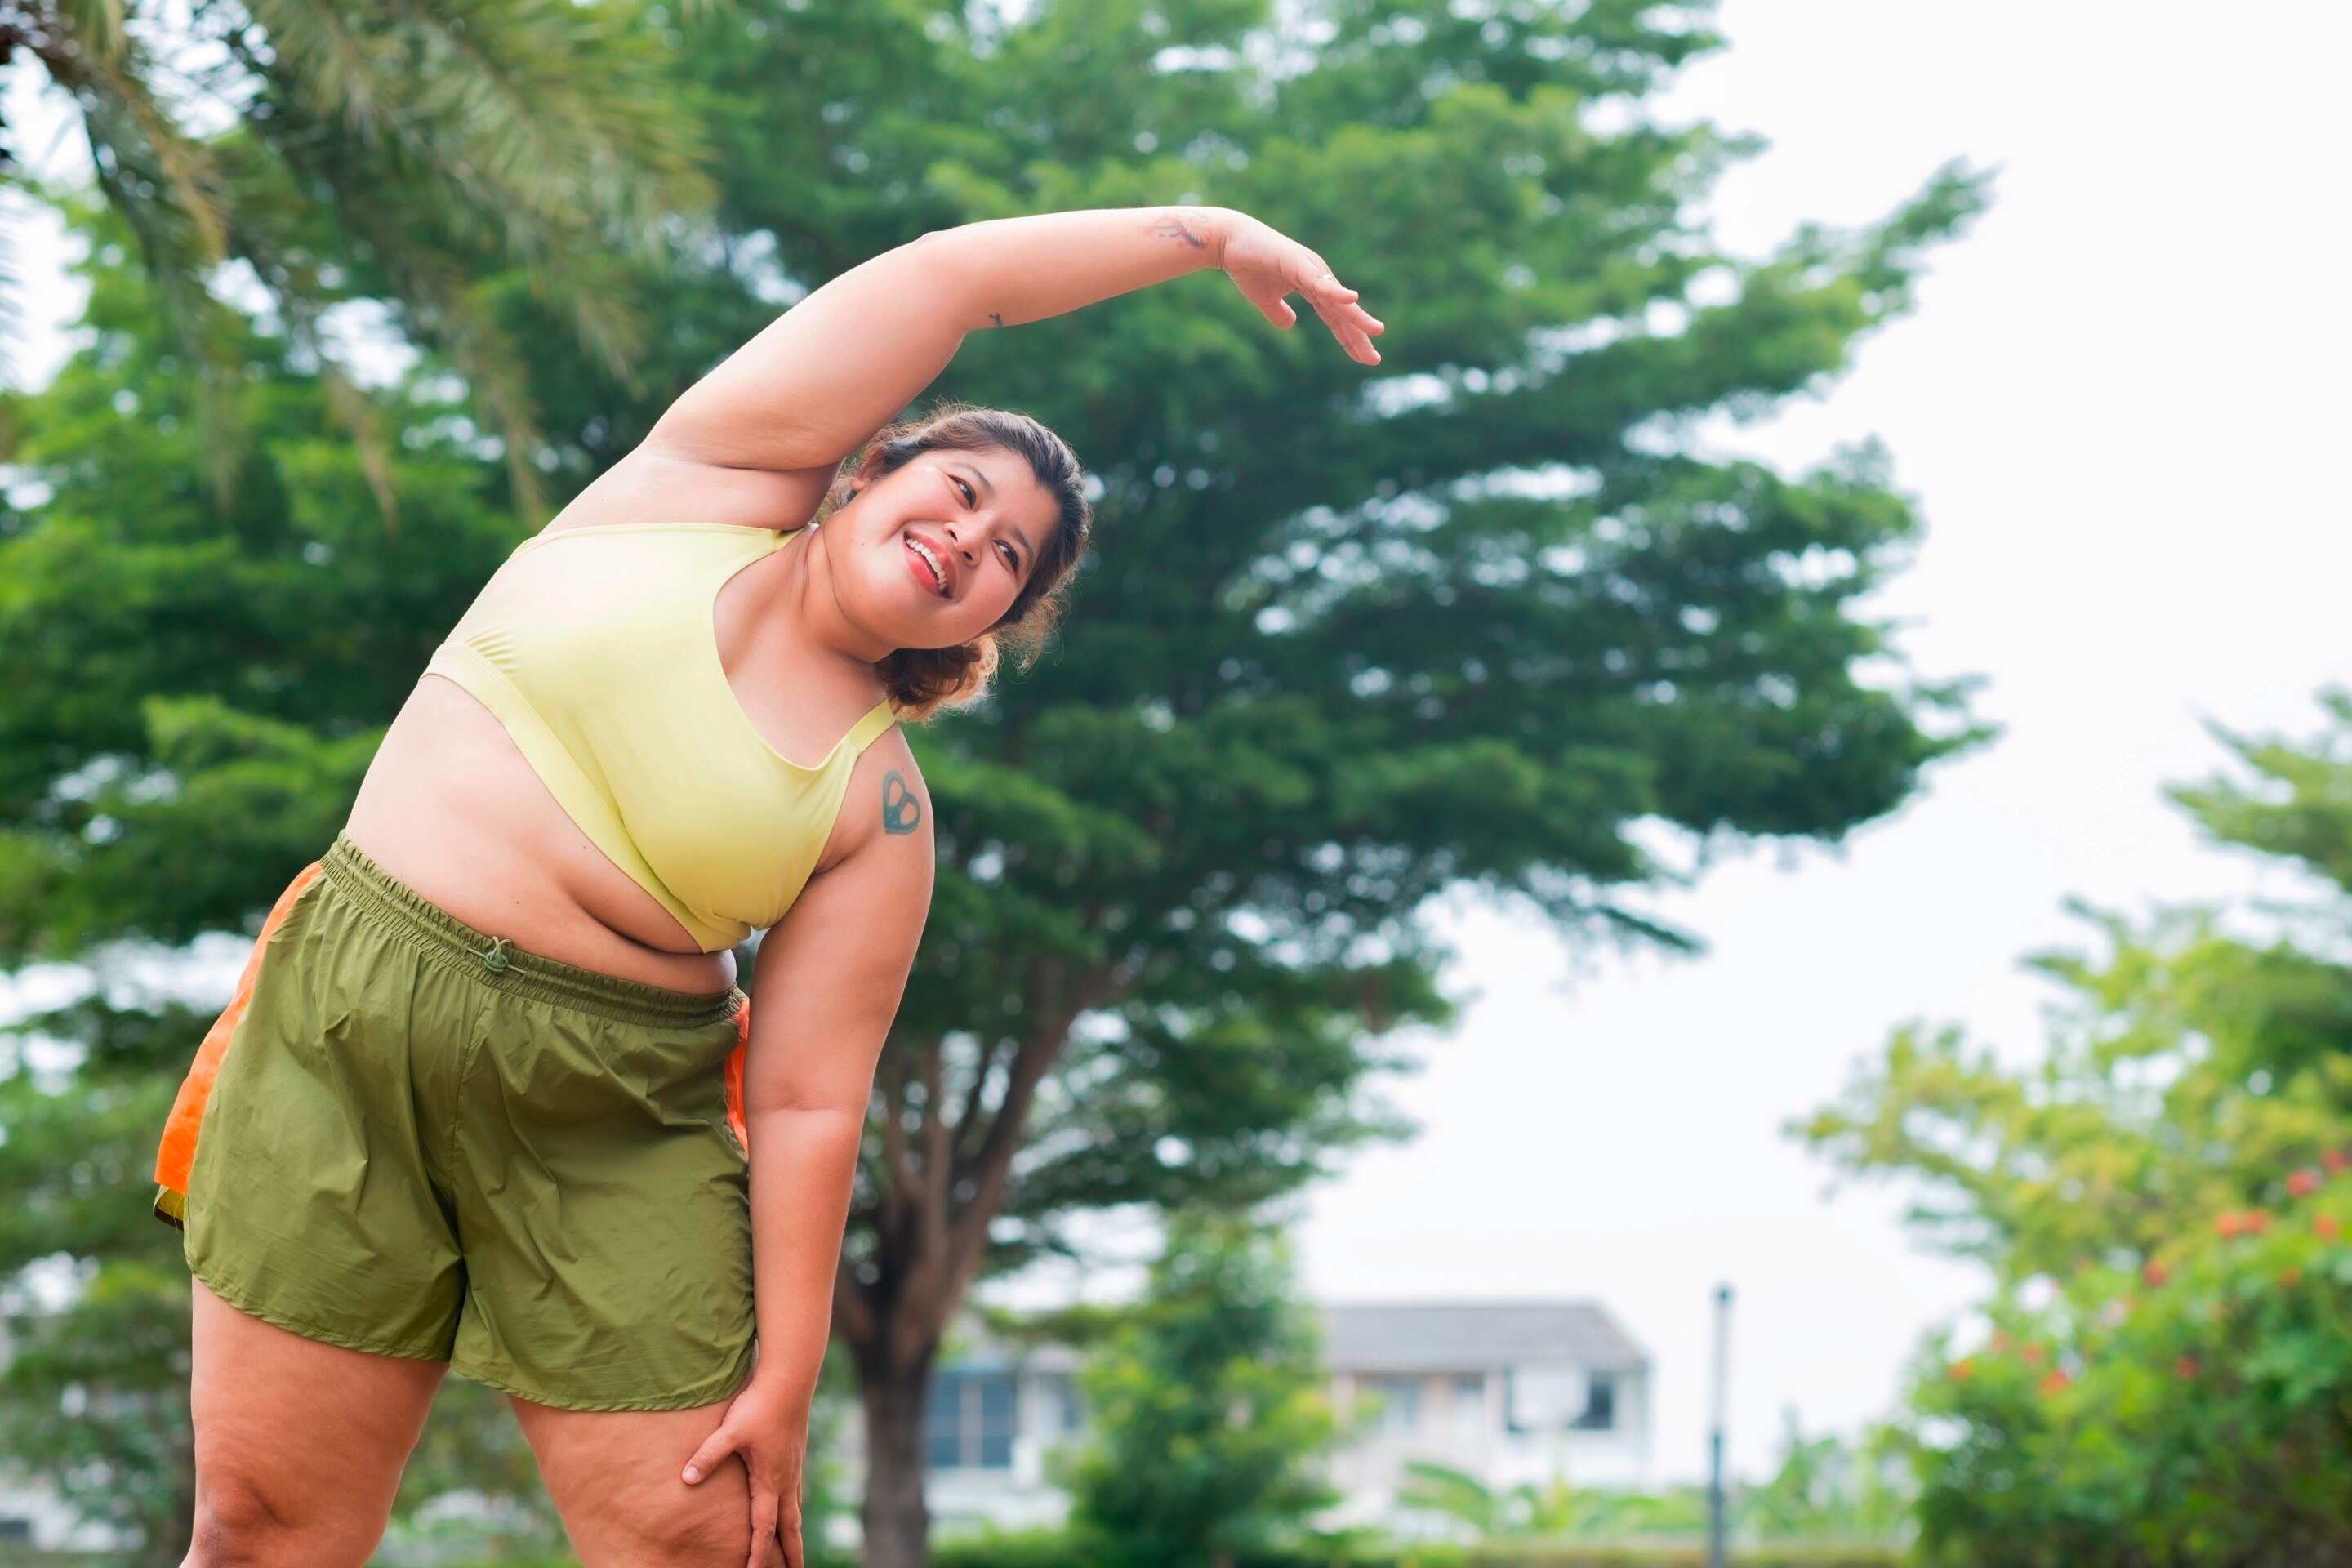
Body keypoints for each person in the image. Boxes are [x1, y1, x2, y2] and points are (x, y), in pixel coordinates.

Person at [158, 205, 1383, 1568]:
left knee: (709, 1543)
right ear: (867, 471)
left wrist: (786, 1381)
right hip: (347, 1034)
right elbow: (953, 280)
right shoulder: (693, 482)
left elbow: (807, 1101)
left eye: (1009, 561)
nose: (971, 541)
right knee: (263, 1529)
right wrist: (1206, 237)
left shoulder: (882, 807)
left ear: (993, 622)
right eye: (964, 492)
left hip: (607, 1119)